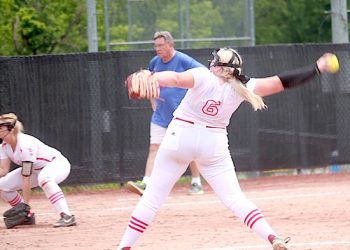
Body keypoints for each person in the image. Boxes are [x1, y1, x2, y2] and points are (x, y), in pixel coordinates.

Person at [118, 48, 338, 250]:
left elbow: (175, 78)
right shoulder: (244, 86)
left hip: (179, 137)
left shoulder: (203, 75)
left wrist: (151, 76)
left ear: (216, 65)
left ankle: (124, 247)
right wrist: (317, 68)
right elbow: (282, 82)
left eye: (214, 59)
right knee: (236, 199)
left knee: (152, 199)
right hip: (213, 144)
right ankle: (272, 237)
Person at [126, 31, 205, 196]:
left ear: (170, 45)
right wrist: (150, 99)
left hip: (183, 115)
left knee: (188, 149)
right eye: (155, 46)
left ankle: (196, 182)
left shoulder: (184, 60)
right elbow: (150, 83)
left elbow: (204, 74)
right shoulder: (154, 62)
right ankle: (146, 182)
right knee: (154, 146)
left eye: (161, 45)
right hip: (160, 114)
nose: (157, 49)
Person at [0, 113, 76, 228]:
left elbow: (26, 177)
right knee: (2, 186)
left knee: (45, 179)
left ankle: (67, 216)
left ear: (11, 129)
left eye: (0, 128)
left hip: (57, 164)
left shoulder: (25, 144)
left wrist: (25, 205)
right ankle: (27, 217)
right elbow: (3, 170)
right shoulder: (4, 146)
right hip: (36, 170)